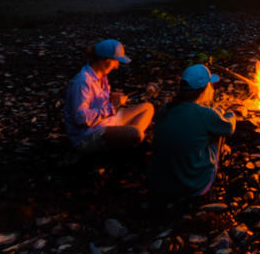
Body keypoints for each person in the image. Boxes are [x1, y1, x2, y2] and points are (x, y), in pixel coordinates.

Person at [149, 64, 236, 199]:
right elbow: (228, 128)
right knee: (217, 132)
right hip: (192, 185)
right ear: (205, 88)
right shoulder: (205, 114)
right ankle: (215, 159)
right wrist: (231, 115)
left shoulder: (166, 108)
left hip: (160, 183)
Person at [63, 39, 155, 153]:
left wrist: (110, 98)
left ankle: (129, 139)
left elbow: (95, 104)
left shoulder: (102, 76)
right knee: (135, 133)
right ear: (103, 60)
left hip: (107, 121)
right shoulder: (82, 82)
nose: (117, 66)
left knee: (148, 107)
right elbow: (82, 119)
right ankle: (129, 140)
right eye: (115, 61)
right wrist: (112, 106)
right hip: (88, 135)